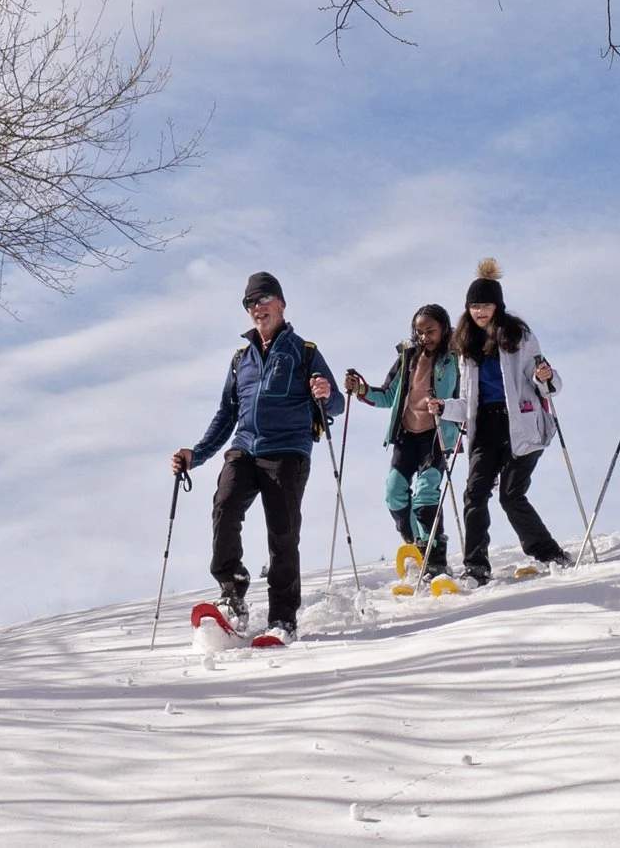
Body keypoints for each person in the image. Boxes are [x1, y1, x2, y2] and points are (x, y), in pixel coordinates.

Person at [171, 271, 344, 641]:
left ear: (281, 303)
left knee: (282, 532)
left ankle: (283, 618)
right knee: (225, 504)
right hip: (245, 448)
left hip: (288, 450)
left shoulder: (304, 352)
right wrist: (195, 455)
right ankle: (232, 592)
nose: (257, 308)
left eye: (263, 300)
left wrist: (326, 392)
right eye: (250, 302)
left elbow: (337, 404)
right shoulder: (241, 360)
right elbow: (225, 415)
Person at [425, 260, 572, 583]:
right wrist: (443, 407)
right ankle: (475, 566)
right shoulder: (465, 345)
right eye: (474, 306)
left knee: (511, 494)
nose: (480, 312)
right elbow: (467, 403)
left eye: (486, 305)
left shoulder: (518, 335)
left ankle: (549, 552)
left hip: (522, 424)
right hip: (486, 429)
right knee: (474, 494)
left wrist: (545, 376)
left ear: (498, 306)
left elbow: (545, 381)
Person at [345, 303, 461, 574]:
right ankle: (416, 545)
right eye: (419, 331)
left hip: (437, 435)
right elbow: (387, 395)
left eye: (430, 331)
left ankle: (435, 559)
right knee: (394, 493)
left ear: (443, 329)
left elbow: (465, 396)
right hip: (406, 436)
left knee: (424, 495)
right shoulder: (408, 358)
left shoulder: (455, 358)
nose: (424, 337)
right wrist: (360, 389)